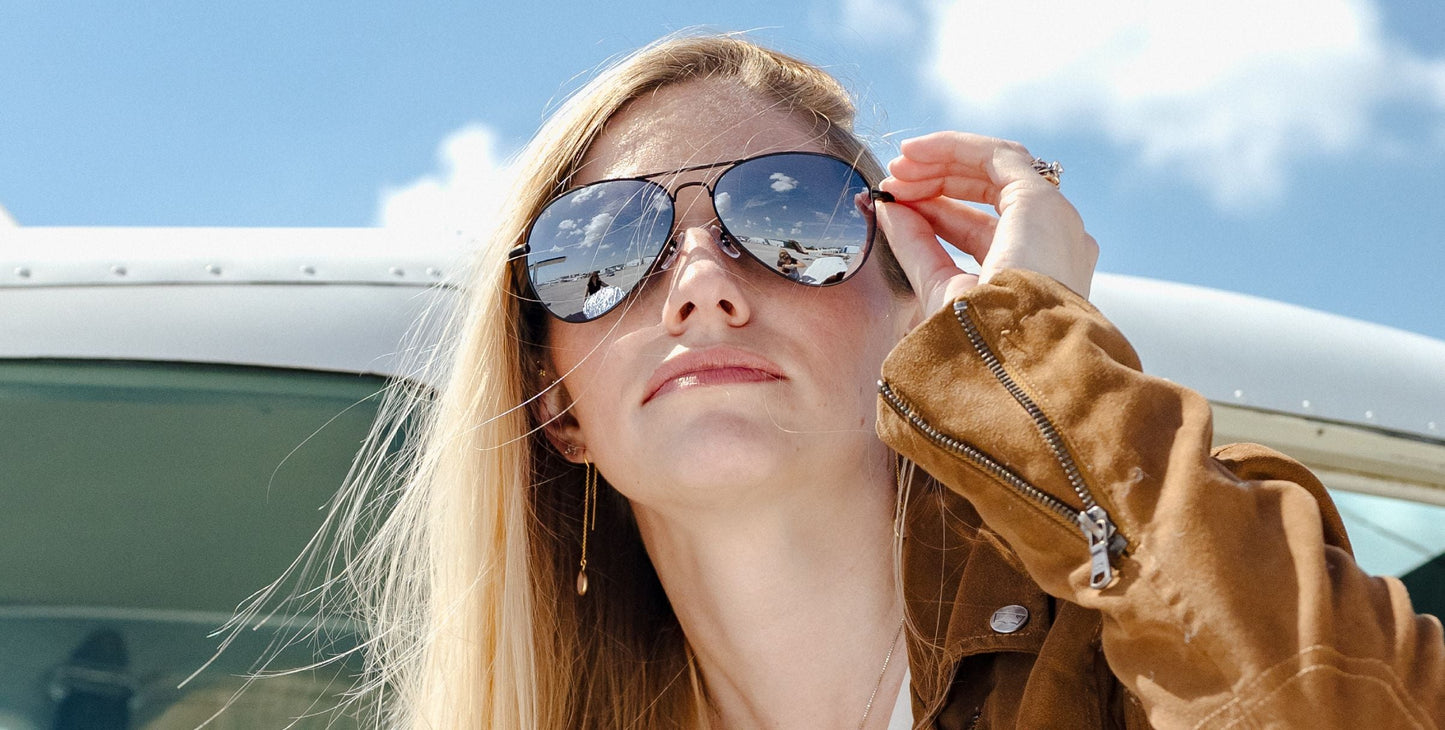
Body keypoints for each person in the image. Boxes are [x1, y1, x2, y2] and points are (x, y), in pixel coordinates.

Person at [281, 35, 1441, 728]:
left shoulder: (1145, 631)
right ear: (553, 405)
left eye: (788, 218)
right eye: (603, 246)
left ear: (914, 316)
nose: (698, 285)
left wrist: (1029, 348)